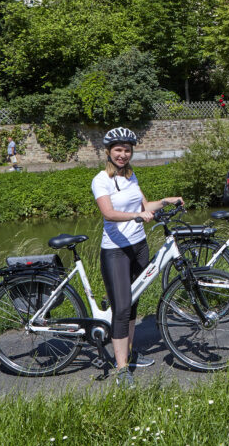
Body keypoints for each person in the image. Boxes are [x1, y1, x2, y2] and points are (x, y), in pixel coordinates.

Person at [92, 127, 182, 387]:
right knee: (120, 309)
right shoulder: (101, 180)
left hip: (138, 246)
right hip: (116, 250)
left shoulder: (131, 176)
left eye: (127, 150)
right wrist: (136, 216)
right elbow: (108, 213)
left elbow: (144, 207)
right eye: (118, 150)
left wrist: (165, 201)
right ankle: (121, 370)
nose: (123, 154)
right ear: (108, 152)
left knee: (132, 304)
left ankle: (129, 355)